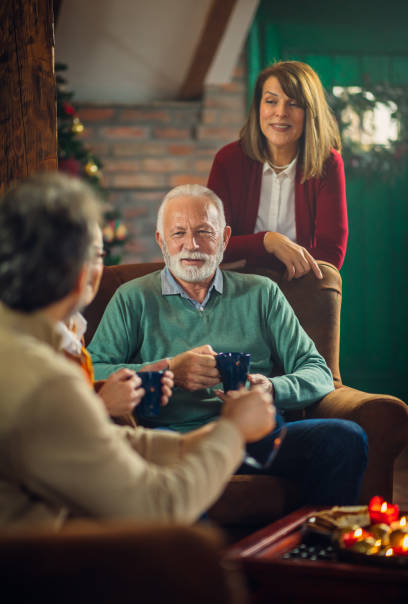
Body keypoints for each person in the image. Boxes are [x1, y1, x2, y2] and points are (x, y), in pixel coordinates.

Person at [0, 173, 275, 528]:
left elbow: (90, 438)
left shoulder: (24, 348)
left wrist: (191, 444)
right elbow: (159, 509)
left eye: (203, 231)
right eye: (99, 254)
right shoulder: (50, 382)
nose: (190, 243)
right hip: (41, 568)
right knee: (194, 545)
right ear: (81, 273)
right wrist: (233, 431)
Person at [88, 184, 367, 507]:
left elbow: (318, 371)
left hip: (257, 437)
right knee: (173, 486)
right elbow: (92, 370)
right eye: (178, 233)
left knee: (346, 438)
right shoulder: (132, 298)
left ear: (225, 238)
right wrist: (170, 370)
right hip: (176, 440)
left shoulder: (262, 293)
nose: (191, 245)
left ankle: (310, 553)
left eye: (204, 232)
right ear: (160, 241)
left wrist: (271, 389)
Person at [207, 60, 347, 278]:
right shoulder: (228, 160)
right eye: (271, 101)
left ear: (310, 112)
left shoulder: (327, 163)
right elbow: (211, 243)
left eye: (294, 104)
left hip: (300, 284)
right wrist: (266, 241)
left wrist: (272, 269)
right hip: (239, 285)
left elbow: (331, 253)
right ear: (258, 107)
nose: (281, 112)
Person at [58, 223, 171, 422]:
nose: (88, 270)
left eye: (97, 256)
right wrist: (102, 404)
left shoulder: (73, 326)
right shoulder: (20, 343)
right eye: (73, 253)